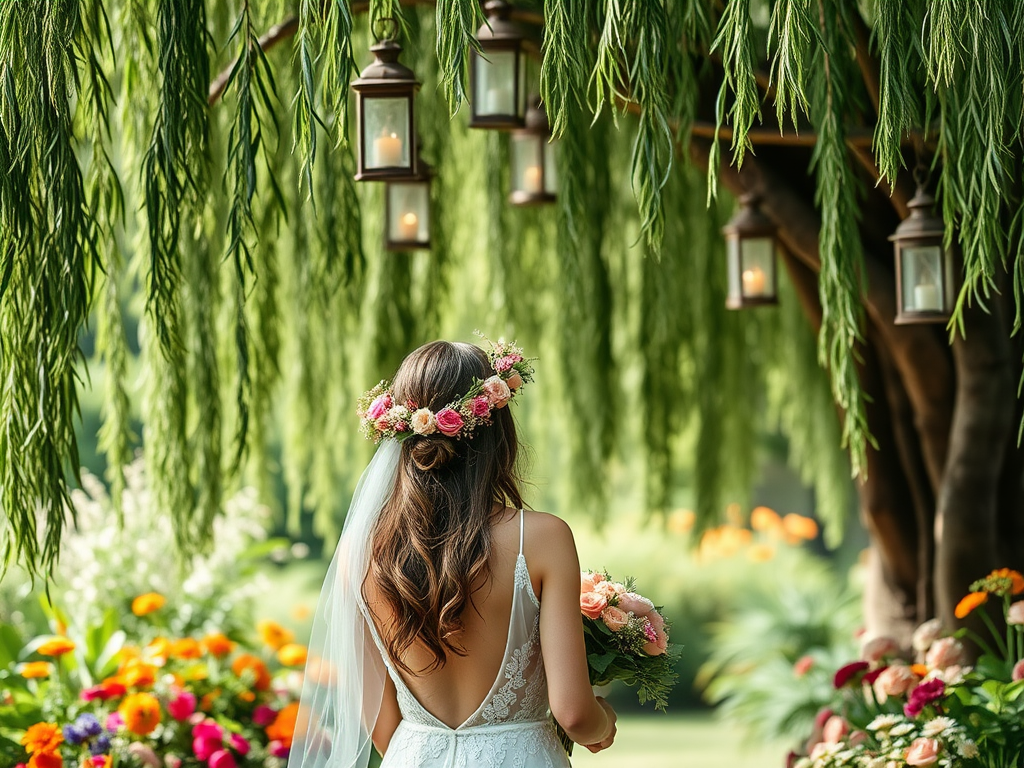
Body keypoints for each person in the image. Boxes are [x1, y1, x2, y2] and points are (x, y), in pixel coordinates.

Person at [290, 340, 617, 768]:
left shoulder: (361, 550)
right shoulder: (542, 538)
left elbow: (378, 720)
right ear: (498, 432)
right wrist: (603, 722)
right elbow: (573, 713)